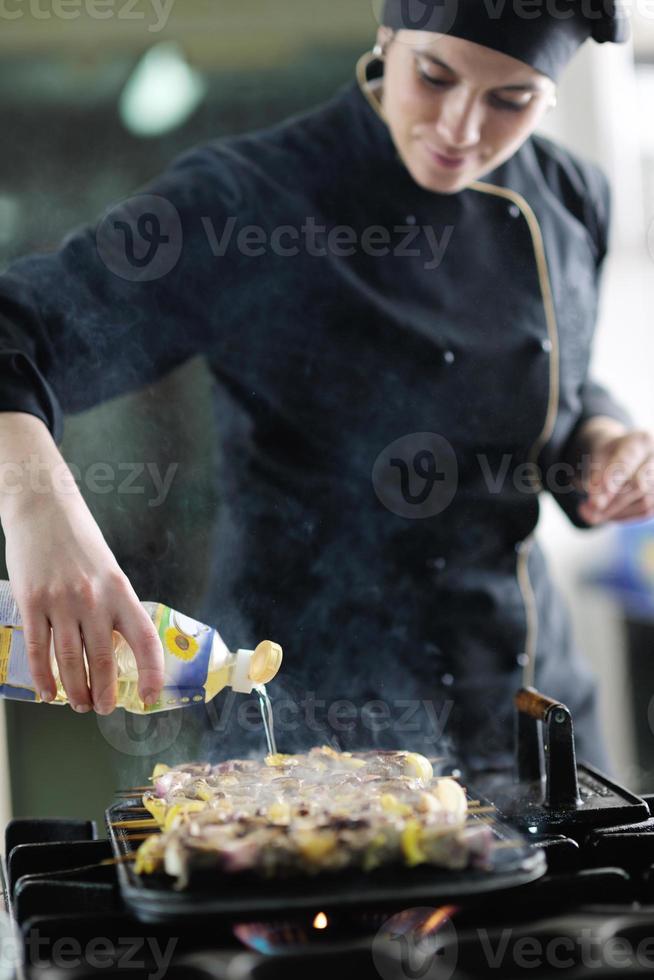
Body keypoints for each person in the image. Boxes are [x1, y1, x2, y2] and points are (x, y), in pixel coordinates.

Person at [0, 0, 652, 771]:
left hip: (532, 709)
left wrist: (603, 441)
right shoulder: (247, 201)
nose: (461, 128)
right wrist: (37, 506)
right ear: (386, 39)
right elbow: (18, 331)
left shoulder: (572, 198)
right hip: (309, 721)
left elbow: (556, 390)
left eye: (510, 100)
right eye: (434, 76)